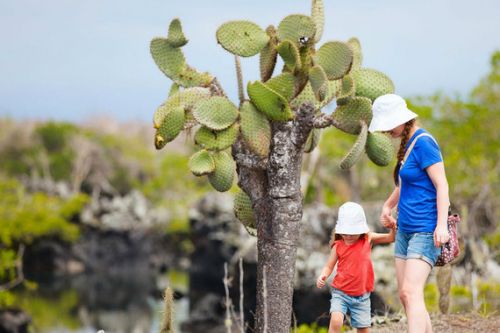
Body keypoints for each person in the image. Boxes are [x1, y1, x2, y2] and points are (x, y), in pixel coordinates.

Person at [369, 94, 450, 333]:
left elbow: (442, 185)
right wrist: (387, 206)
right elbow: (404, 184)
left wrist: (442, 225)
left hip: (425, 229)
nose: (386, 132)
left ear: (402, 120)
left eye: (388, 125)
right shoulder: (408, 144)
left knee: (410, 292)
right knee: (407, 296)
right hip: (404, 229)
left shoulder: (424, 142)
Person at [316, 202, 395, 333]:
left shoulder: (367, 239)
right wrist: (323, 275)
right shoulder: (338, 246)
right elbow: (329, 266)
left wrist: (393, 227)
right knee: (336, 321)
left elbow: (390, 238)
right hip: (340, 293)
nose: (349, 236)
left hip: (362, 296)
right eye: (345, 233)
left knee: (363, 329)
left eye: (353, 233)